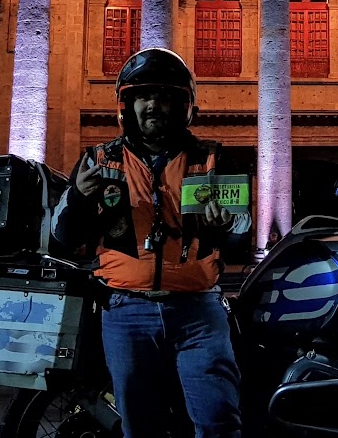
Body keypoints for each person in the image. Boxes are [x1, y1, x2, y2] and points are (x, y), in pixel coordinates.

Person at [53, 48, 240, 438]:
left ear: (184, 105)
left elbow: (241, 234)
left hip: (198, 311)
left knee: (217, 418)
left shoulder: (211, 158)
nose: (153, 104)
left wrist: (228, 226)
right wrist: (79, 198)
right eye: (143, 96)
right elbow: (65, 238)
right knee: (140, 424)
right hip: (126, 310)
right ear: (127, 105)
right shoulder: (97, 160)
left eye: (165, 96)